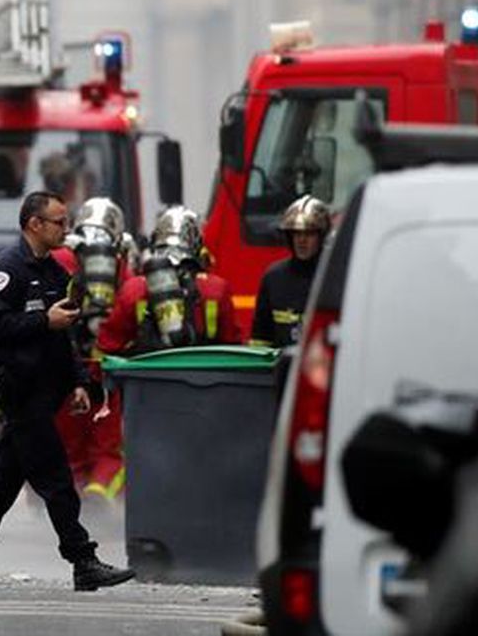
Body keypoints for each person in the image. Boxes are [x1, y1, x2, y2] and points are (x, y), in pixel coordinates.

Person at [0, 191, 135, 592]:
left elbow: (64, 338)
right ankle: (83, 561)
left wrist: (78, 382)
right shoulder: (5, 269)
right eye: (59, 221)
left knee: (3, 482)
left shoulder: (56, 272)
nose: (67, 228)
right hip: (20, 391)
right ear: (34, 225)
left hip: (47, 390)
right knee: (57, 479)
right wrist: (45, 321)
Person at [50, 198, 131, 510]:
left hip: (62, 371)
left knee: (67, 449)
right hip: (105, 373)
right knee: (109, 451)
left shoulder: (57, 257)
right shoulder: (121, 266)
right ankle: (99, 498)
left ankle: (65, 511)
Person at [97, 206, 242, 355]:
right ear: (197, 246)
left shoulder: (134, 289)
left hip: (148, 375)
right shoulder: (217, 289)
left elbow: (108, 345)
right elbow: (234, 348)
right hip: (206, 375)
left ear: (154, 243)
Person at [249, 195, 330, 348]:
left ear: (322, 236)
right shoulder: (273, 278)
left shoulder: (335, 276)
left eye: (309, 233)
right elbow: (260, 338)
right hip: (282, 368)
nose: (302, 240)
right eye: (297, 233)